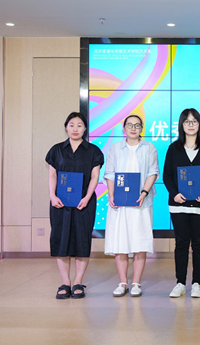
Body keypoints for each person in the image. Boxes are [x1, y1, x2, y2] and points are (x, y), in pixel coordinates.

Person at [46, 112, 104, 299]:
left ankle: (78, 282)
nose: (75, 129)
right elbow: (52, 175)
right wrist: (52, 196)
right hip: (60, 203)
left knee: (82, 240)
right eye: (71, 125)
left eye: (79, 125)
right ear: (66, 127)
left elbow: (95, 177)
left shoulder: (93, 151)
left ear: (85, 128)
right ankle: (65, 283)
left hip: (83, 203)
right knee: (61, 240)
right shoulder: (56, 150)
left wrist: (87, 197)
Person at [163, 108, 200, 298]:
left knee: (199, 244)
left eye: (194, 121)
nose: (191, 125)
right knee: (181, 244)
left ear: (199, 124)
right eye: (187, 121)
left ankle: (196, 283)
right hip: (178, 204)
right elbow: (167, 176)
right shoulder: (174, 148)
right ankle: (180, 283)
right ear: (181, 124)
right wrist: (174, 194)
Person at [103, 114, 159, 297]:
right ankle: (122, 283)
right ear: (124, 128)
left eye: (137, 125)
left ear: (141, 128)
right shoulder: (115, 148)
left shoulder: (149, 147)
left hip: (140, 203)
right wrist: (111, 194)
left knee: (139, 243)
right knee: (120, 243)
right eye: (130, 125)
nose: (133, 128)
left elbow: (153, 172)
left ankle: (136, 283)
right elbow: (110, 173)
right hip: (119, 203)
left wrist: (143, 193)